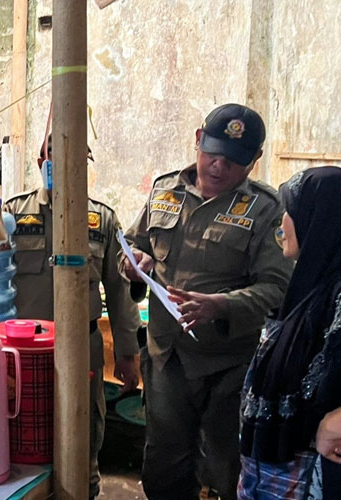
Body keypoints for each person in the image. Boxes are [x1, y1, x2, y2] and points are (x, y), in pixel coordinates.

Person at [121, 103, 293, 500]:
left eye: (234, 161)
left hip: (228, 364)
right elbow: (132, 243)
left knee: (228, 467)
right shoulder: (165, 190)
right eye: (212, 153)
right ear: (198, 140)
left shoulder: (265, 210)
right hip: (167, 356)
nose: (218, 166)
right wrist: (132, 261)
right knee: (164, 464)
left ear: (254, 161)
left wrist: (220, 305)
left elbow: (277, 287)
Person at [238, 167, 341, 499]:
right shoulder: (319, 280)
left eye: (289, 212)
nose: (281, 224)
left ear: (318, 219)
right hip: (281, 473)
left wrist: (335, 426)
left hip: (321, 479)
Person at [3, 135, 141, 499]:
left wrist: (128, 353)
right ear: (40, 162)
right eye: (57, 158)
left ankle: (85, 490)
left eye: (79, 159)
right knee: (21, 431)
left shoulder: (102, 219)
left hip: (83, 346)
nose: (68, 168)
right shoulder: (13, 214)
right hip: (23, 353)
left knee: (83, 434)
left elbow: (120, 289)